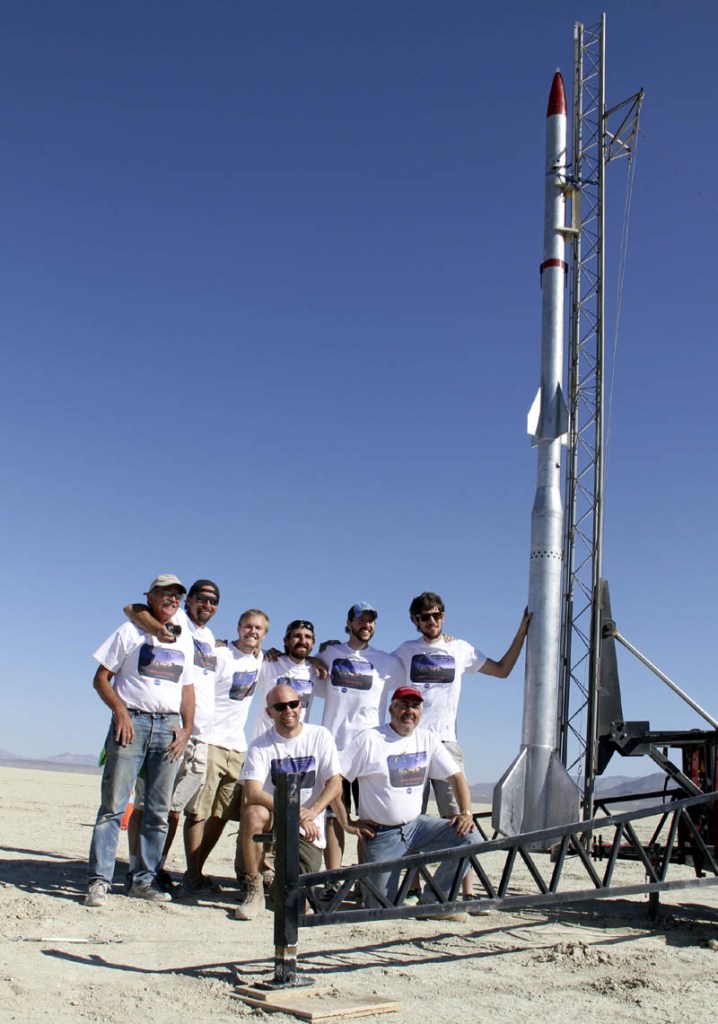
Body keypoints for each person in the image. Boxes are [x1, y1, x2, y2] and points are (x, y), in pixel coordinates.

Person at [392, 591, 530, 899]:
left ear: (444, 616)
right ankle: (412, 887)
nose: (432, 621)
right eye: (425, 617)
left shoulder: (460, 648)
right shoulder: (405, 651)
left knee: (457, 819)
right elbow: (376, 668)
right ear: (415, 621)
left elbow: (503, 669)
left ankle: (463, 891)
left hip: (446, 743)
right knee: (410, 817)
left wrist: (521, 631)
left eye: (437, 615)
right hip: (410, 744)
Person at [85, 574, 195, 907]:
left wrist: (186, 728)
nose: (172, 600)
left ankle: (143, 881)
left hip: (168, 728)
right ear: (150, 596)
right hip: (131, 723)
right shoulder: (130, 631)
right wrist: (120, 712)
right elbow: (101, 678)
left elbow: (187, 689)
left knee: (158, 810)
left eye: (177, 595)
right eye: (166, 594)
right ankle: (99, 881)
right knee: (113, 807)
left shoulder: (183, 638)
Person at [336, 686, 480, 922]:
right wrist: (346, 822)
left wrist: (466, 813)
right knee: (381, 912)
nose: (409, 711)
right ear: (392, 709)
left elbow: (457, 777)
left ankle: (435, 902)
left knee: (470, 838)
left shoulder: (427, 739)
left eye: (414, 706)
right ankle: (368, 884)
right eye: (403, 705)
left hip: (417, 826)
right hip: (383, 835)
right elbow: (336, 778)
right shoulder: (370, 739)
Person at [122, 579, 221, 890]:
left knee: (174, 808)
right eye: (201, 599)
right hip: (168, 728)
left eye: (213, 601)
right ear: (188, 601)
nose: (206, 605)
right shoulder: (176, 620)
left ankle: (156, 867)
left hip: (200, 734)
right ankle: (138, 867)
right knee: (147, 804)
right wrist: (157, 629)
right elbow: (132, 608)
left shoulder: (209, 638)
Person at [235, 683, 341, 921]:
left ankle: (278, 880)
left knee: (297, 906)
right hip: (277, 817)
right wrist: (295, 813)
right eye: (280, 706)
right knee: (253, 813)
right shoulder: (260, 745)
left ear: (301, 706)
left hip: (307, 826)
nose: (288, 710)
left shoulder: (320, 736)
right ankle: (254, 888)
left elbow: (335, 783)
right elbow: (252, 792)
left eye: (293, 704)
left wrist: (311, 812)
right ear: (269, 712)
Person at [181, 608, 269, 893]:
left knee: (221, 814)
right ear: (238, 627)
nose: (252, 632)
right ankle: (192, 876)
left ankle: (198, 870)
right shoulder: (219, 654)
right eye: (247, 626)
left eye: (258, 628)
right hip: (209, 742)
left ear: (264, 634)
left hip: (237, 748)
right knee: (198, 812)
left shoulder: (261, 660)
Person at [314, 601, 402, 872]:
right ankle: (331, 878)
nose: (366, 625)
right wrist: (316, 655)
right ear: (349, 624)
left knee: (368, 819)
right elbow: (300, 661)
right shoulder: (330, 654)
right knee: (333, 816)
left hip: (370, 752)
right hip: (335, 749)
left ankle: (365, 881)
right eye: (360, 620)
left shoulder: (389, 662)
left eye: (371, 620)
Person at [251, 619, 323, 739]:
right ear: (286, 641)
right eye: (297, 636)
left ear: (313, 643)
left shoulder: (317, 672)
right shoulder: (269, 662)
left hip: (298, 746)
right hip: (265, 743)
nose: (303, 641)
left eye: (308, 637)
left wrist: (316, 660)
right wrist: (223, 643)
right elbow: (243, 651)